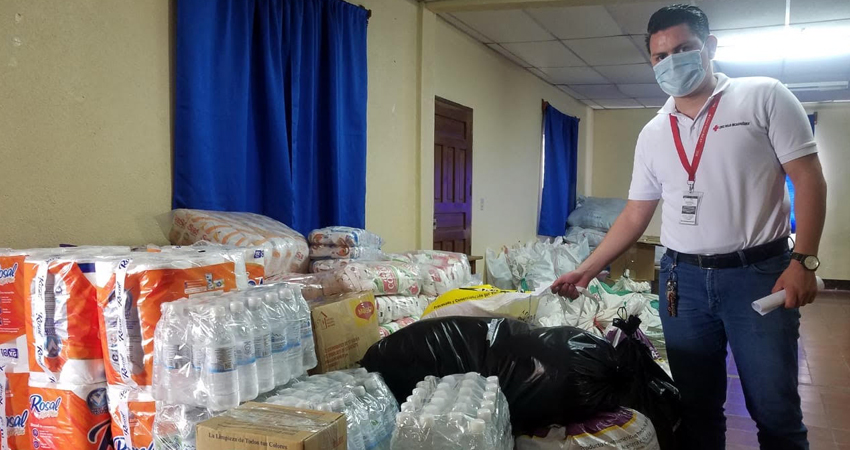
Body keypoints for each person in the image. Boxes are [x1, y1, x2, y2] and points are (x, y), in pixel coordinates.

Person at [551, 4, 827, 450]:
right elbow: (635, 214)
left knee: (775, 411)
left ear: (709, 47)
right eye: (660, 56)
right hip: (683, 282)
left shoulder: (763, 96)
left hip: (759, 275)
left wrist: (804, 261)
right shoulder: (653, 132)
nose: (672, 62)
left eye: (684, 49)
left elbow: (809, 179)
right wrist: (586, 269)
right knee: (697, 408)